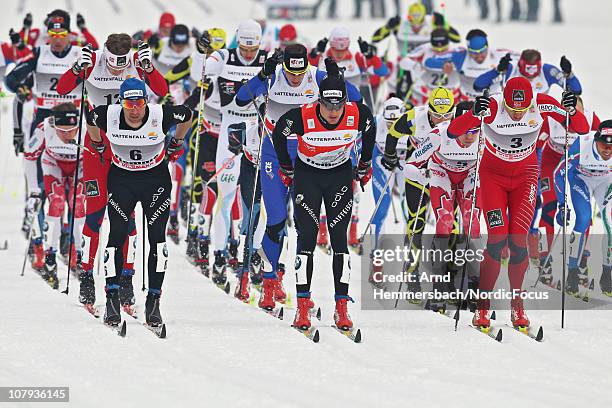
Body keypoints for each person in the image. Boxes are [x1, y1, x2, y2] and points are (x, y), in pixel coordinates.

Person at [448, 76, 588, 330]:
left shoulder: (542, 103)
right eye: (512, 109)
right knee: (496, 240)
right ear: (505, 101)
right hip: (493, 180)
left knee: (518, 242)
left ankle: (517, 306)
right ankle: (482, 308)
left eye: (521, 110)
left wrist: (570, 109)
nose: (516, 114)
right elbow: (453, 131)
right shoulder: (492, 106)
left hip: (525, 177)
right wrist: (472, 114)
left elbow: (582, 127)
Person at [235, 49, 362, 307]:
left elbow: (355, 98)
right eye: (291, 74)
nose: (296, 79)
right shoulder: (273, 77)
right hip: (273, 154)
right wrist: (262, 74)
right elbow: (240, 99)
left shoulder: (316, 76)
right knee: (277, 219)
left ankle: (286, 279)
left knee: (306, 227)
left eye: (300, 73)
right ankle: (269, 282)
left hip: (306, 157)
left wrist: (337, 77)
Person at [56, 32, 168, 310]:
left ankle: (127, 275)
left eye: (122, 65)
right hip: (96, 145)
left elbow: (162, 91)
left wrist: (149, 68)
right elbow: (62, 90)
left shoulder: (135, 62)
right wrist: (76, 68)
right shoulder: (92, 60)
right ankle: (86, 274)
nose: (118, 69)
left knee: (126, 216)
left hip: (127, 146)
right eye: (114, 65)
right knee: (94, 212)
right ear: (105, 54)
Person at [272, 72, 376, 330]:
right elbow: (278, 134)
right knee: (306, 239)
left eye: (338, 105)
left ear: (345, 102)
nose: (332, 111)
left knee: (339, 240)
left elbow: (370, 129)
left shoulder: (358, 113)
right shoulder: (302, 115)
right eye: (327, 105)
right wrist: (286, 165)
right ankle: (303, 306)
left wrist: (364, 164)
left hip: (339, 176)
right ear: (319, 101)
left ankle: (342, 307)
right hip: (307, 176)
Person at [85, 78, 192, 327]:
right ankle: (112, 296)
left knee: (157, 239)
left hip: (155, 181)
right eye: (129, 103)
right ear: (121, 103)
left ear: (146, 101)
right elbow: (91, 119)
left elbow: (187, 115)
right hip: (122, 181)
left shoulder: (160, 114)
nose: (134, 109)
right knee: (117, 236)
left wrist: (177, 141)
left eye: (139, 102)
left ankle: (154, 301)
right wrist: (98, 143)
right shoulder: (108, 114)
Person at [204, 19, 267, 288]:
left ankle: (253, 253)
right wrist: (201, 54)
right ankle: (218, 253)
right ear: (238, 41)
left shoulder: (266, 58)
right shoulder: (225, 56)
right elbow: (204, 70)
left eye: (253, 49)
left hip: (257, 129)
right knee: (226, 194)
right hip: (229, 127)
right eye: (245, 47)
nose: (249, 53)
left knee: (256, 198)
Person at [407, 101, 482, 310]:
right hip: (441, 174)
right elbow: (409, 167)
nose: (470, 137)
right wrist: (424, 175)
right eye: (465, 131)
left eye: (474, 131)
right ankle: (438, 286)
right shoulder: (438, 134)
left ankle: (474, 287)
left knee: (472, 223)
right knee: (445, 222)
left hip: (468, 176)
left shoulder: (484, 136)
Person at [381, 87, 457, 294]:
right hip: (418, 176)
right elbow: (393, 134)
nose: (442, 120)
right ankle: (412, 273)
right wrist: (389, 156)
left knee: (451, 224)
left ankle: (449, 274)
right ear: (429, 109)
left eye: (447, 115)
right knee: (416, 222)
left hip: (447, 177)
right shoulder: (415, 116)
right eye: (436, 115)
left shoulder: (459, 116)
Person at [163, 29, 227, 270]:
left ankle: (202, 230)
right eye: (210, 49)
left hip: (217, 124)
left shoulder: (226, 62)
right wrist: (173, 99)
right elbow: (169, 77)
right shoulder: (194, 59)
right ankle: (189, 227)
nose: (213, 54)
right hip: (193, 120)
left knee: (212, 181)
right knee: (191, 173)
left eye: (217, 50)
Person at [534, 97, 599, 284]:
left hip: (579, 166)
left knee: (583, 212)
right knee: (551, 207)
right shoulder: (551, 119)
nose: (571, 119)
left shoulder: (590, 118)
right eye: (567, 112)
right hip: (551, 162)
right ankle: (545, 256)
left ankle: (580, 259)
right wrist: (534, 173)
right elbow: (536, 145)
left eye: (576, 113)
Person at [24, 103, 84, 288]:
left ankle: (78, 253)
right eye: (62, 131)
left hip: (79, 166)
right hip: (53, 164)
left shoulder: (88, 127)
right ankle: (51, 255)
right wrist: (33, 190)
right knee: (56, 202)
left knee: (79, 203)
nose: (67, 135)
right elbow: (29, 156)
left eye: (72, 131)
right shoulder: (45, 127)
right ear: (54, 124)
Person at [554, 121, 611, 297]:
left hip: (605, 182)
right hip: (581, 180)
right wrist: (562, 205)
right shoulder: (581, 145)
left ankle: (607, 274)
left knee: (610, 222)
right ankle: (572, 273)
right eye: (604, 145)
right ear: (595, 141)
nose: (608, 150)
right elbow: (559, 173)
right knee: (584, 218)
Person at [424, 29, 513, 100]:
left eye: (482, 52)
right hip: (466, 102)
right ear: (468, 49)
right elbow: (429, 61)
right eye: (474, 53)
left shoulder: (499, 55)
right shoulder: (460, 55)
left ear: (487, 47)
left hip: (492, 101)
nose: (479, 56)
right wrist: (443, 64)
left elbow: (522, 58)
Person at [474, 50, 581, 95]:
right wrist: (497, 70)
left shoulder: (548, 71)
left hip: (537, 119)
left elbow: (576, 91)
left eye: (534, 71)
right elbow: (478, 85)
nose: (530, 77)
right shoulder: (511, 68)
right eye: (527, 71)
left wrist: (568, 74)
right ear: (521, 65)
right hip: (511, 115)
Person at [398, 28, 460, 107]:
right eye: (436, 49)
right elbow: (403, 61)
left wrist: (454, 66)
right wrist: (415, 66)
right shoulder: (424, 48)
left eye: (443, 49)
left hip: (452, 94)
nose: (440, 52)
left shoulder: (456, 51)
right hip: (427, 95)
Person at [17, 10, 99, 49]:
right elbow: (17, 45)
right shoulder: (38, 33)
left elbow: (94, 47)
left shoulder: (72, 36)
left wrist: (83, 29)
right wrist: (25, 28)